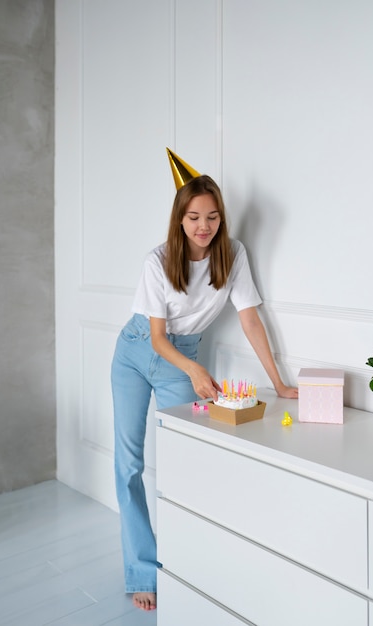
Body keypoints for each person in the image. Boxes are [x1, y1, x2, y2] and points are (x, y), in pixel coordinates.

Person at [111, 148, 298, 612]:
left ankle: (192, 563)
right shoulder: (157, 262)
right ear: (179, 219)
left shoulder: (233, 256)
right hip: (138, 352)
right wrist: (193, 370)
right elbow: (156, 338)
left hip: (185, 354)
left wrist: (280, 382)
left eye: (212, 216)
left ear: (221, 219)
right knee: (129, 465)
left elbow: (252, 321)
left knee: (185, 461)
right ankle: (142, 573)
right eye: (194, 216)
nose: (203, 225)